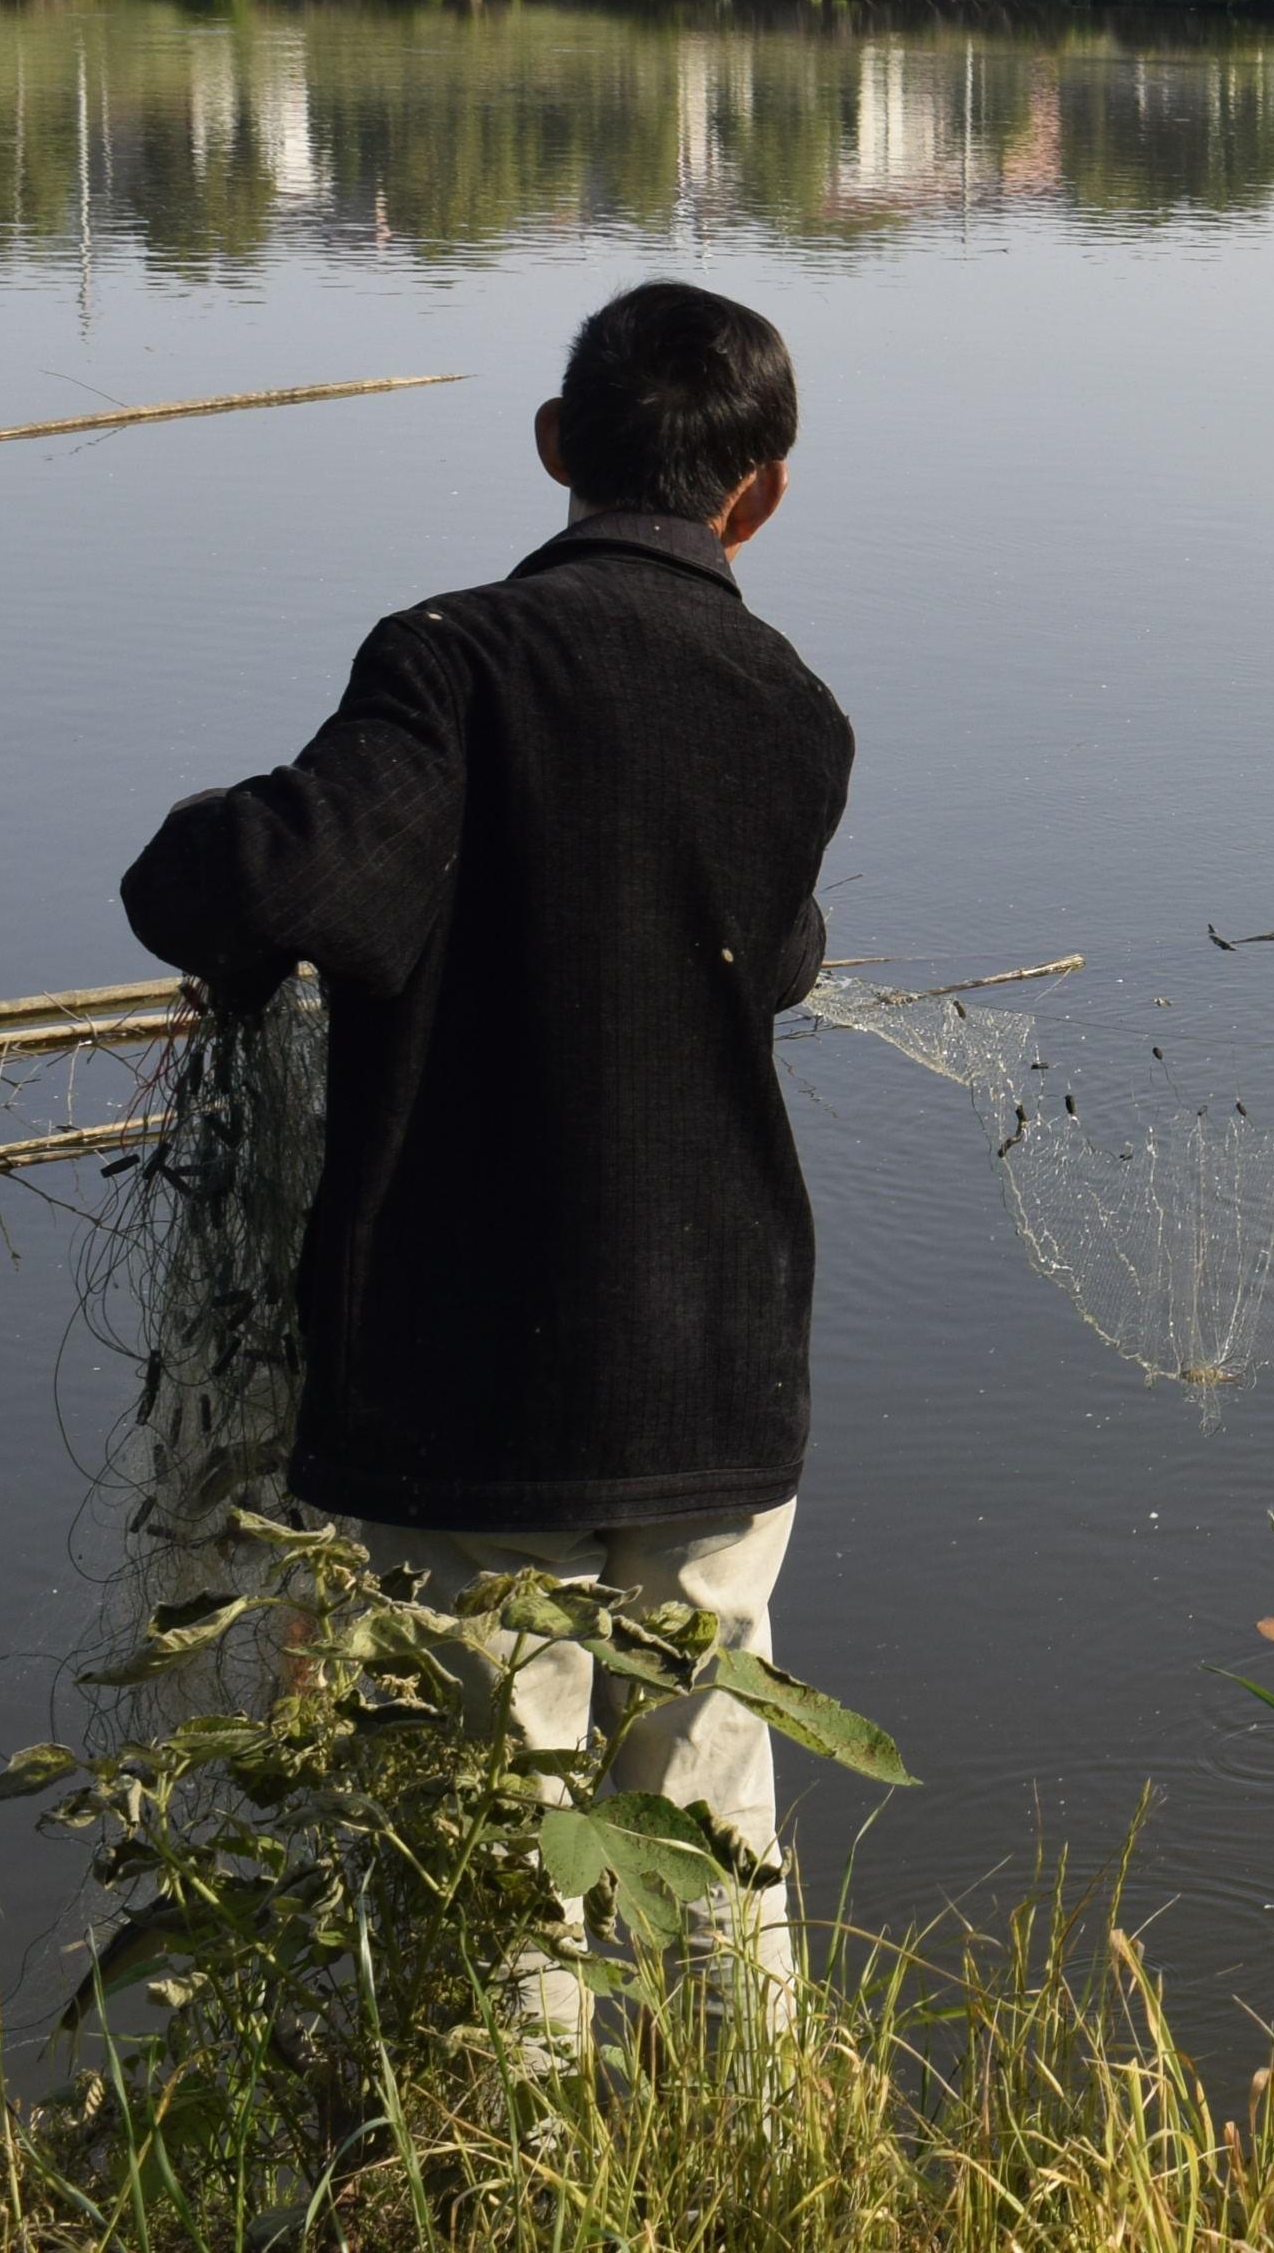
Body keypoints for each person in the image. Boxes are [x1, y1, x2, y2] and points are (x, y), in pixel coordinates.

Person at [119, 279, 853, 2020]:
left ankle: (516, 2179)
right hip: (717, 1363)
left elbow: (281, 878)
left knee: (497, 1816)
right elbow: (784, 948)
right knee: (713, 1806)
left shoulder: (450, 662)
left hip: (468, 1378)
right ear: (760, 495)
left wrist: (183, 855)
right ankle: (759, 2164)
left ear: (552, 451)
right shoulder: (793, 710)